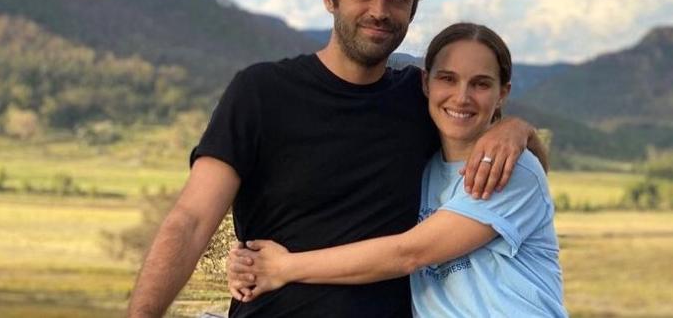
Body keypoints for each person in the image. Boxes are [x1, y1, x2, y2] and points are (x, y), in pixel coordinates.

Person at [127, 0, 543, 318]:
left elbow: (505, 151)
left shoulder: (422, 101)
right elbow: (192, 219)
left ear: (413, 9)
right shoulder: (261, 92)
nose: (380, 10)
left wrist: (514, 129)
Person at [228, 23, 567, 317]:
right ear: (426, 84)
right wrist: (248, 261)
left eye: (480, 84)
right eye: (448, 79)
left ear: (502, 93)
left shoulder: (508, 169)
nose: (462, 97)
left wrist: (282, 268)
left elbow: (409, 253)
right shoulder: (426, 166)